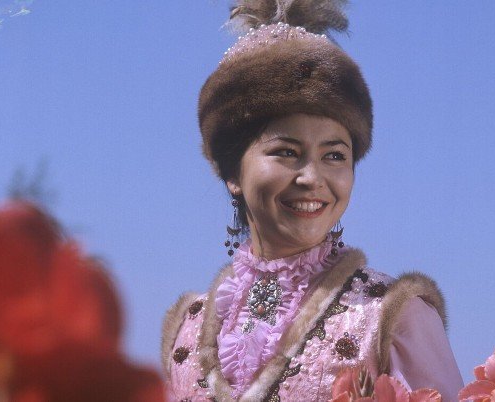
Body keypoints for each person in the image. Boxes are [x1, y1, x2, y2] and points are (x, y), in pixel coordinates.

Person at [161, 1, 463, 401]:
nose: (312, 178)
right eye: (286, 152)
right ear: (232, 173)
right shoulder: (188, 329)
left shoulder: (392, 315)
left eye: (334, 156)